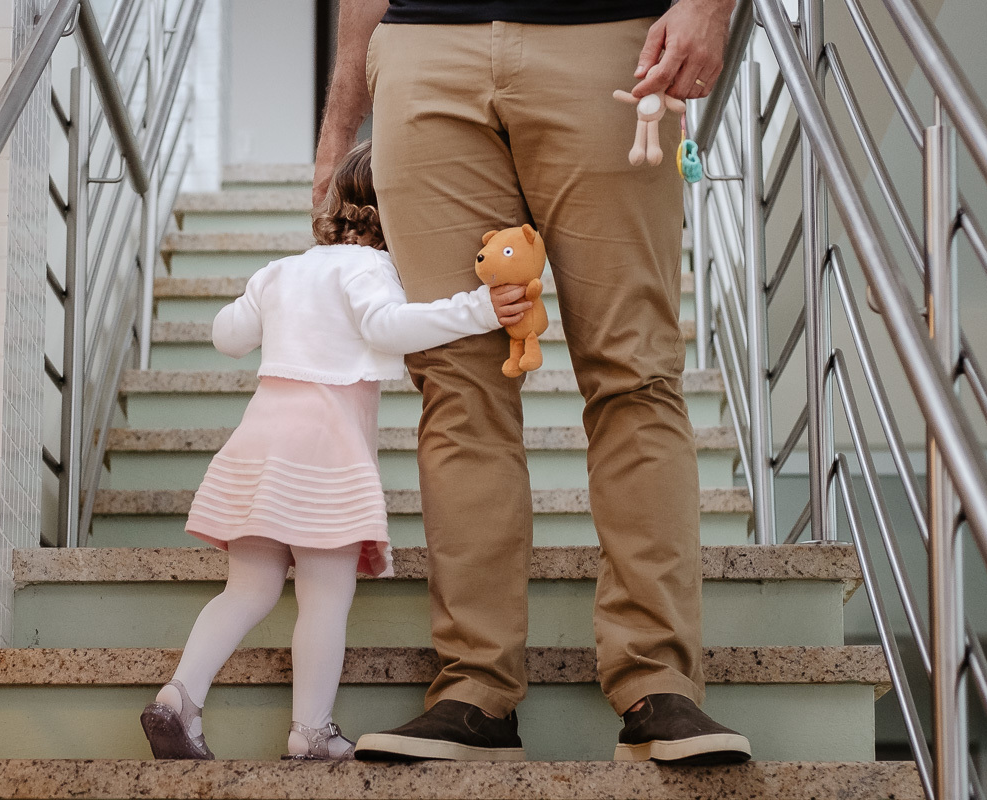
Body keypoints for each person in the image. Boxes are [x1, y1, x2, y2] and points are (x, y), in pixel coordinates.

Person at [314, 0, 754, 765]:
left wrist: (708, 8)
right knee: (457, 385)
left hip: (612, 39)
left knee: (633, 372)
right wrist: (338, 128)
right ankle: (474, 694)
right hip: (423, 45)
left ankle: (658, 680)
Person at [139, 141, 532, 762]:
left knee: (247, 589)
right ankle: (311, 732)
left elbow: (228, 337)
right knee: (325, 599)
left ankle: (178, 700)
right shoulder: (368, 270)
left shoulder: (280, 271)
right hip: (324, 457)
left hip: (259, 449)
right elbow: (387, 328)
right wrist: (478, 308)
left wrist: (260, 305)